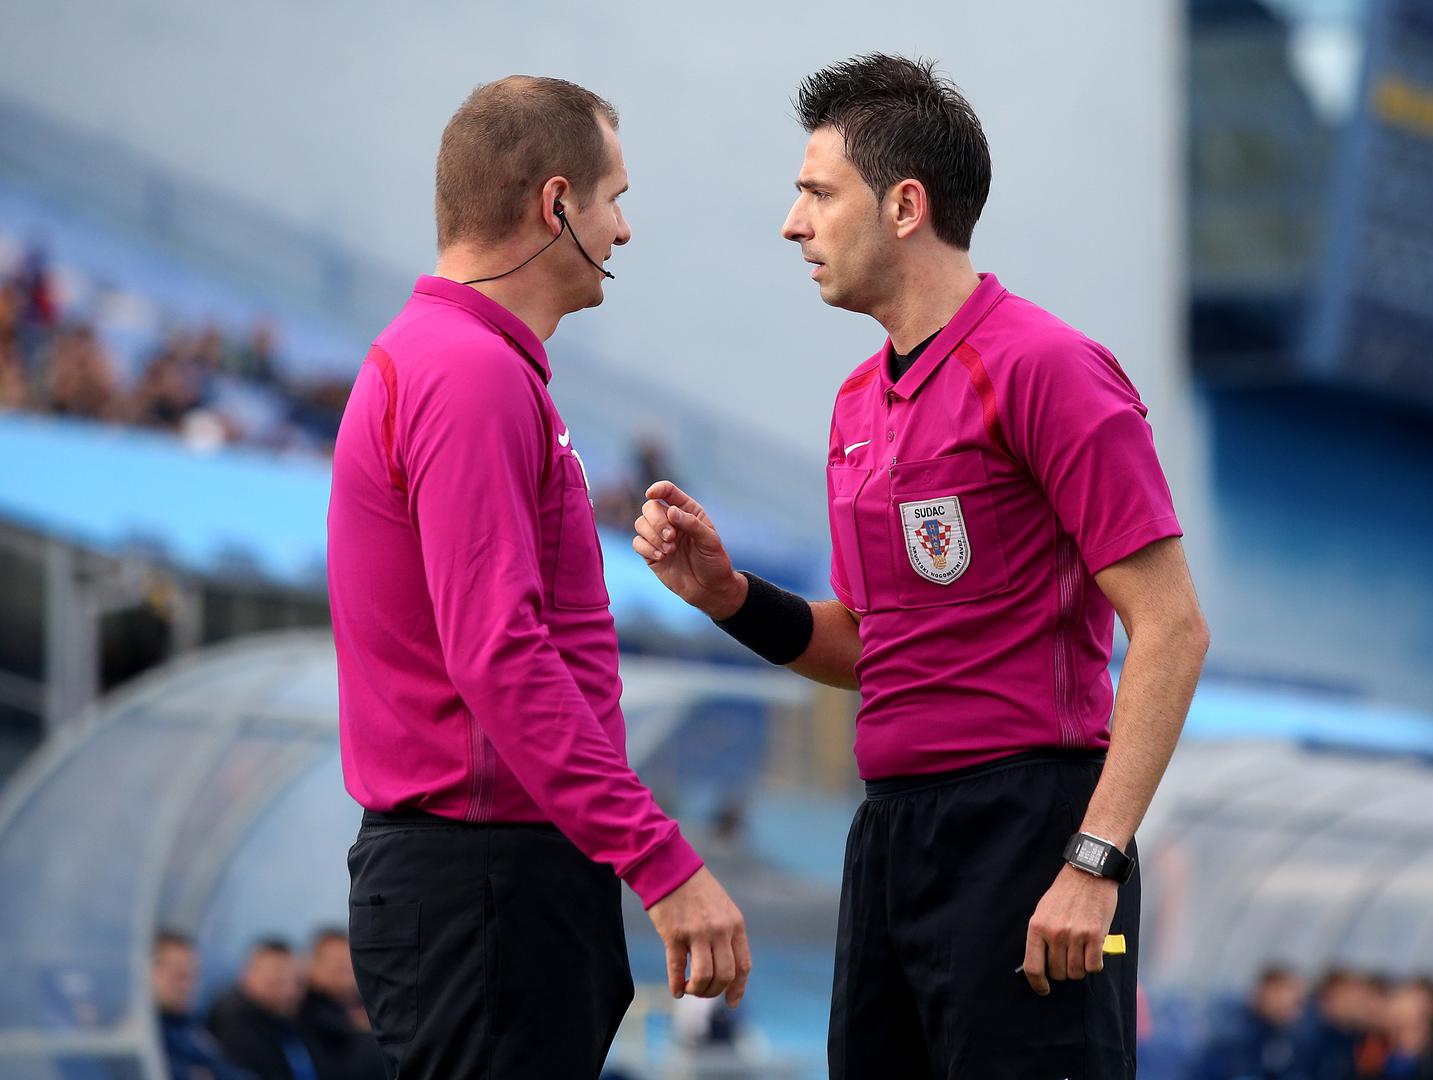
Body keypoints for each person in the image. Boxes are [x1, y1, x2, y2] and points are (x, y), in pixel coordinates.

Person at [633, 54, 1209, 1078]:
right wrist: (729, 599)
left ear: (905, 206)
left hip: (1030, 832)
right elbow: (874, 647)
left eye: (817, 193)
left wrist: (1094, 860)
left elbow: (1171, 627)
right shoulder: (857, 401)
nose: (792, 224)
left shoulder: (1047, 368)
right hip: (890, 836)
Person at [326, 75, 748, 1080]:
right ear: (556, 204)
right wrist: (662, 861)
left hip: (489, 879)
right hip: (483, 880)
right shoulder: (467, 372)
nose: (625, 229)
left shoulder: (462, 360)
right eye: (615, 199)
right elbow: (499, 654)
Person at [205, 939, 317, 1080]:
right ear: (248, 976)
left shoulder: (289, 1019)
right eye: (276, 982)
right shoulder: (233, 1020)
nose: (289, 992)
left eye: (297, 983)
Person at [152, 931, 251, 1080]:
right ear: (146, 973)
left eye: (193, 976)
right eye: (178, 976)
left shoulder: (192, 1028)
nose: (187, 986)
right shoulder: (146, 1036)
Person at [295, 929, 381, 1080]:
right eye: (332, 960)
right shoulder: (298, 1011)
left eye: (347, 958)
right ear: (311, 965)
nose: (342, 966)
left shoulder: (374, 1006)